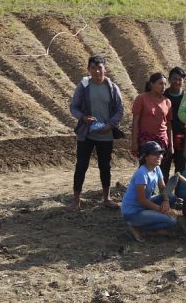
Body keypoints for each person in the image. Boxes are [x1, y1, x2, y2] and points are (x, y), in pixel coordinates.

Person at [69, 54, 125, 211]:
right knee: (81, 165)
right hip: (87, 134)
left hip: (105, 134)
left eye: (99, 67)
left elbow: (120, 109)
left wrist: (111, 125)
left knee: (105, 166)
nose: (96, 71)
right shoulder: (84, 86)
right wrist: (83, 117)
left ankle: (106, 198)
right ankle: (76, 200)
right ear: (88, 70)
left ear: (105, 69)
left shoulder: (112, 87)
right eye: (92, 68)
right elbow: (74, 107)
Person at [121, 141, 178, 241]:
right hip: (133, 212)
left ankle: (150, 220)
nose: (159, 156)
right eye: (154, 154)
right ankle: (138, 227)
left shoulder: (157, 168)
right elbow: (142, 200)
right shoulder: (142, 173)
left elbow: (163, 188)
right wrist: (163, 210)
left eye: (160, 153)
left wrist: (166, 201)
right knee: (171, 221)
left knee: (172, 197)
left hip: (144, 205)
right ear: (146, 157)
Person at [129, 72, 172, 163]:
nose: (163, 87)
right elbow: (135, 122)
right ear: (152, 84)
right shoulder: (141, 98)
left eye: (165, 84)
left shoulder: (167, 101)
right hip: (145, 140)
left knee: (161, 169)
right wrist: (134, 142)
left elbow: (168, 124)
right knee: (145, 167)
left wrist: (171, 145)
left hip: (161, 141)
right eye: (160, 84)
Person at [163, 67, 186, 179]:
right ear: (169, 79)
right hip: (165, 135)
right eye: (174, 79)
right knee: (164, 165)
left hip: (182, 136)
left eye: (180, 79)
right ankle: (164, 193)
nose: (177, 82)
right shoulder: (163, 95)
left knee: (181, 166)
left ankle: (179, 193)